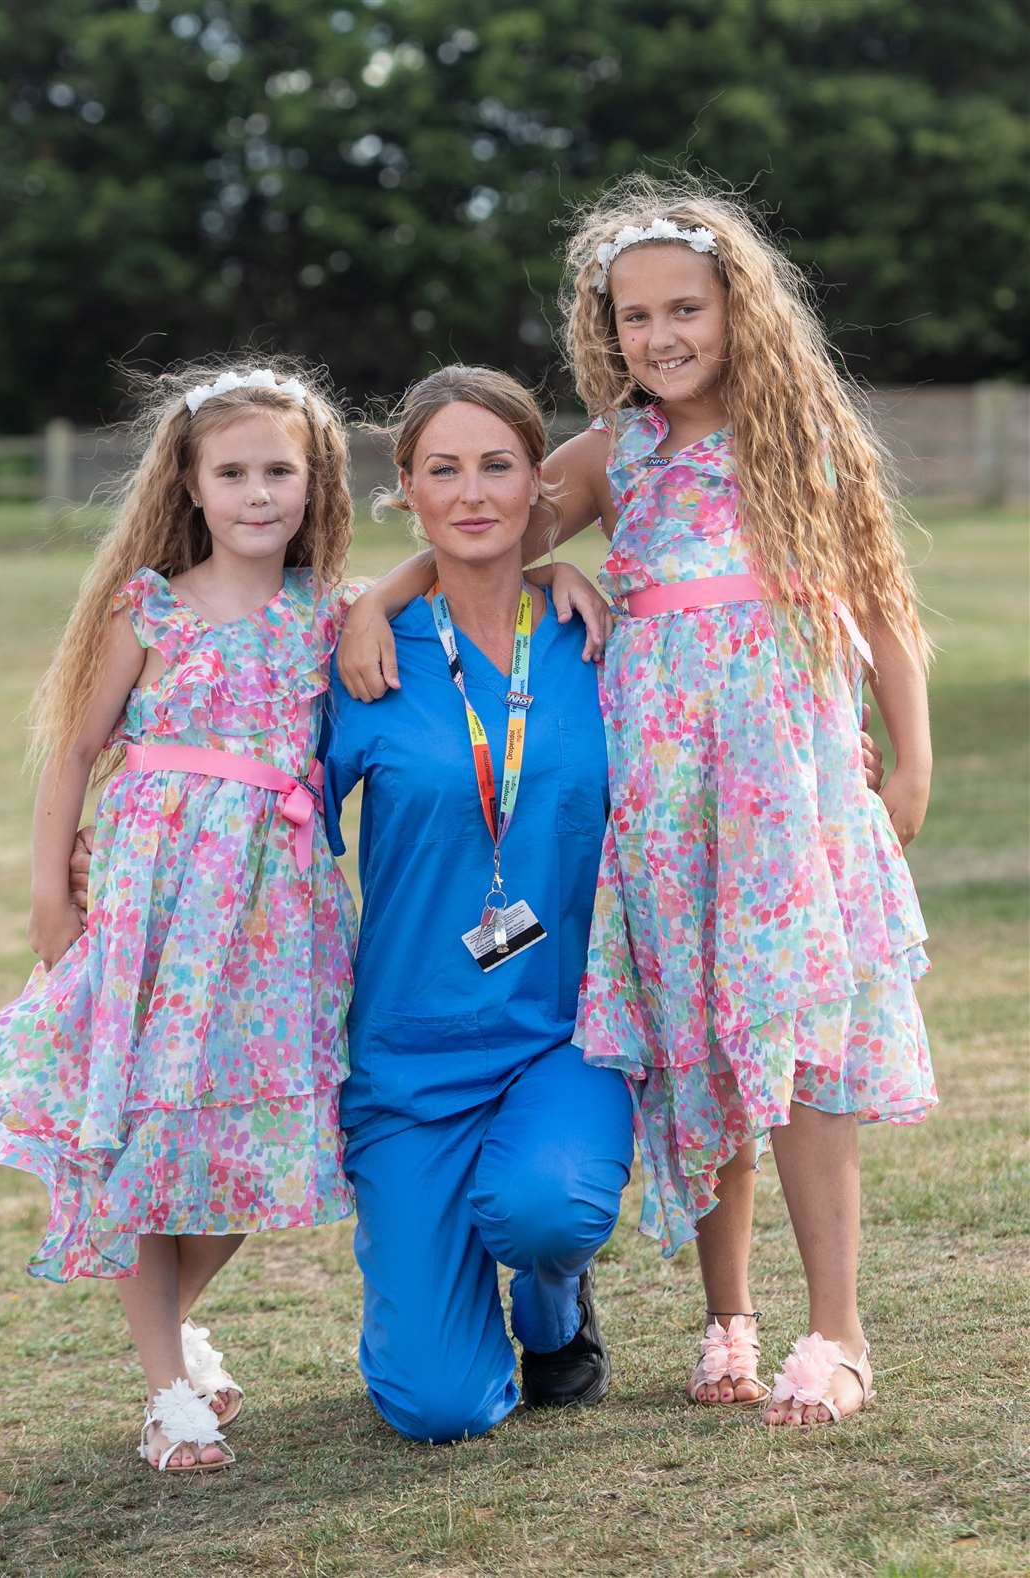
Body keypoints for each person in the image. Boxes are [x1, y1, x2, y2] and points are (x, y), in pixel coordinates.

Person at [341, 176, 935, 1428]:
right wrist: (374, 599)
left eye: (686, 311)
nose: (660, 338)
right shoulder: (617, 453)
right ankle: (729, 1315)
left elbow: (880, 599)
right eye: (633, 318)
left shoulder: (799, 434)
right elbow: (484, 520)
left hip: (785, 787)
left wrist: (912, 753)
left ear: (739, 309)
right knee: (695, 1046)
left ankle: (839, 1328)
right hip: (667, 799)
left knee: (800, 1042)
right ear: (602, 331)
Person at [0, 360, 360, 1472]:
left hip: (277, 915)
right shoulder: (149, 604)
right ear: (190, 483)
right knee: (143, 1130)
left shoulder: (327, 613)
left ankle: (176, 1322)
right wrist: (53, 892)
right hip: (153, 905)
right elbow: (80, 749)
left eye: (279, 470)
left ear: (313, 477)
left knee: (255, 1142)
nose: (257, 493)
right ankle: (163, 1391)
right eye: (231, 471)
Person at [323, 366, 635, 1443]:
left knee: (544, 1207)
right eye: (441, 470)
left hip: (568, 1035)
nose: (472, 493)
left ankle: (551, 1308)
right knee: (440, 1409)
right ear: (404, 489)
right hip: (410, 1058)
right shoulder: (361, 655)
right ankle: (442, 1305)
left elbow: (723, 725)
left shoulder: (599, 633)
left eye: (497, 465)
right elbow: (263, 813)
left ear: (537, 484)